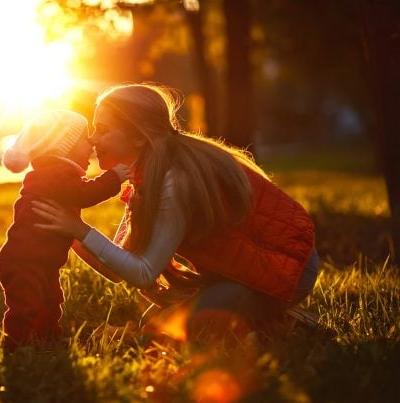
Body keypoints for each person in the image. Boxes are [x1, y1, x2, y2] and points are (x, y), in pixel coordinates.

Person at [31, 84, 319, 343]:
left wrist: (78, 230)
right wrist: (68, 230)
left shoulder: (175, 181)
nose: (92, 140)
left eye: (103, 130)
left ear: (138, 138)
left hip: (288, 269)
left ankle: (273, 315)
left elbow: (144, 273)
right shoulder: (145, 176)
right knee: (154, 324)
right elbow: (116, 269)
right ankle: (267, 315)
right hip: (239, 272)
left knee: (168, 333)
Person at [0, 110, 130, 352]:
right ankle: (14, 345)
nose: (90, 142)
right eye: (83, 138)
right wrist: (113, 178)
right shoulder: (54, 175)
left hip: (40, 259)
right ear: (63, 147)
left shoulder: (55, 174)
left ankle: (47, 337)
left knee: (50, 300)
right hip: (26, 260)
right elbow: (84, 194)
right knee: (25, 305)